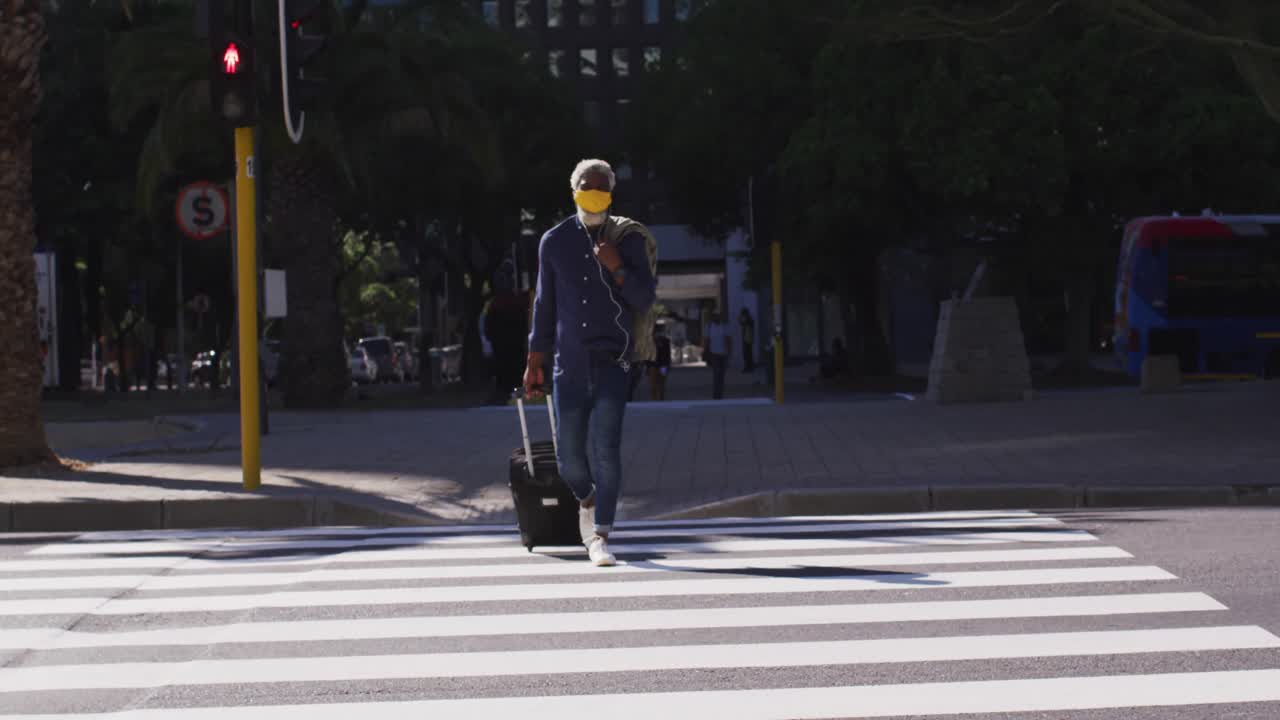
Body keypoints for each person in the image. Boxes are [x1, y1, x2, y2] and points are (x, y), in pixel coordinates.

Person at [524, 159, 658, 567]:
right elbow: (544, 306)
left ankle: (600, 534)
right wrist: (534, 360)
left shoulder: (627, 239)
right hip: (569, 365)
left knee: (606, 451)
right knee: (569, 460)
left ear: (612, 195)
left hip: (614, 363)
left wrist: (616, 267)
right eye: (587, 186)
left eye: (602, 188)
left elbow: (644, 298)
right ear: (574, 190)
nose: (594, 193)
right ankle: (588, 497)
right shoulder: (554, 241)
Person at [702, 312, 732, 400]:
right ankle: (716, 394)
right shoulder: (709, 327)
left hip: (723, 354)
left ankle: (720, 393)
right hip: (714, 354)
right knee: (716, 374)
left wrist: (729, 352)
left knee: (721, 375)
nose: (716, 318)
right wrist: (705, 351)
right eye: (714, 317)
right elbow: (706, 340)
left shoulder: (725, 326)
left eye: (718, 316)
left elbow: (728, 339)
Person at [649, 326, 672, 401]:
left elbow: (668, 355)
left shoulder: (665, 341)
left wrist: (668, 365)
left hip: (662, 366)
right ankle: (655, 400)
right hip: (654, 366)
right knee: (654, 385)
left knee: (661, 384)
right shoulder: (650, 342)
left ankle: (660, 399)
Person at [739, 308, 755, 372]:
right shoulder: (749, 320)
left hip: (747, 339)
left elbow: (740, 321)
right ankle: (749, 367)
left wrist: (740, 317)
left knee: (746, 354)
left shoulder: (748, 320)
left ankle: (748, 367)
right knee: (748, 354)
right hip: (748, 338)